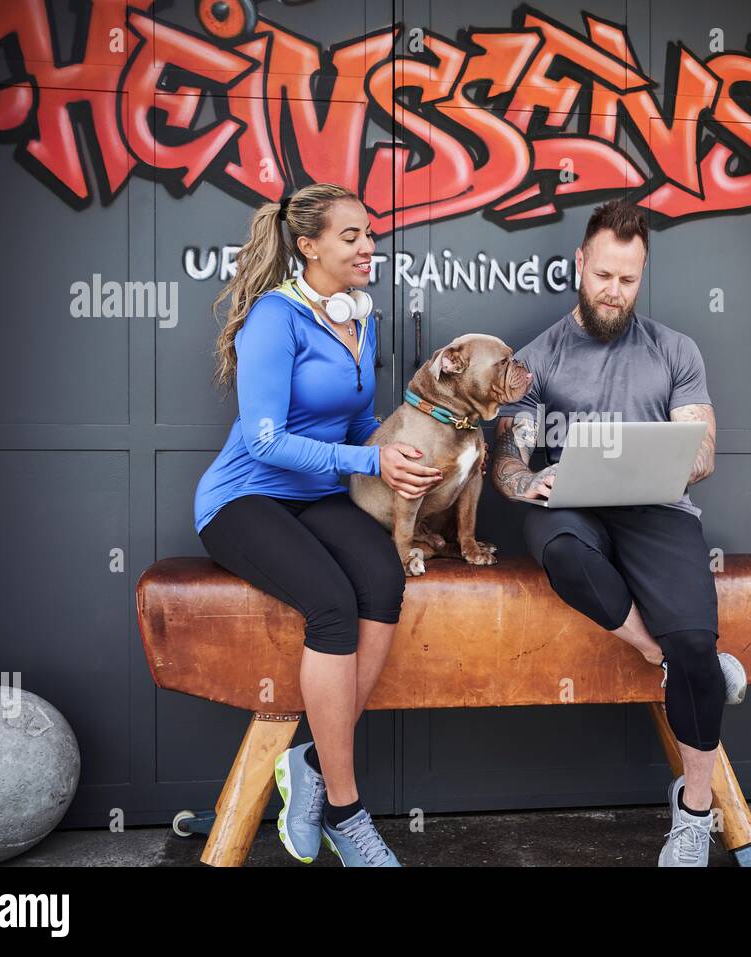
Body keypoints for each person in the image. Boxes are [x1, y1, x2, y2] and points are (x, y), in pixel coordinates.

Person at [193, 183, 444, 867]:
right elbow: (266, 438)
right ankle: (345, 806)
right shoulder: (273, 320)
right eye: (353, 236)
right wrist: (369, 457)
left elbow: (357, 423)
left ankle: (308, 760)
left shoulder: (364, 317)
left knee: (383, 579)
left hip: (318, 493)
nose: (370, 246)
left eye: (370, 234)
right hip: (245, 497)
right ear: (309, 246)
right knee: (331, 604)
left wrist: (402, 453)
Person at [490, 199, 746, 867]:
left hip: (656, 506)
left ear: (643, 273)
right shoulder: (534, 358)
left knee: (697, 643)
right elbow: (508, 458)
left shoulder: (675, 350)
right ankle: (666, 662)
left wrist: (673, 456)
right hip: (570, 504)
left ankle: (693, 811)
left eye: (628, 280)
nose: (614, 291)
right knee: (565, 552)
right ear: (580, 263)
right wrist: (525, 482)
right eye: (604, 275)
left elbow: (705, 451)